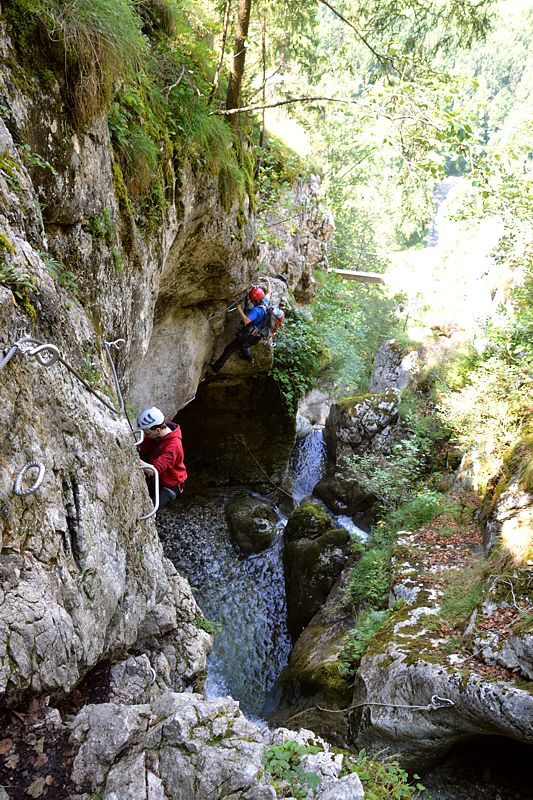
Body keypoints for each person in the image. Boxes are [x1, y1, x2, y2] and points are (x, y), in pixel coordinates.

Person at [209, 278, 272, 374]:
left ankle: (214, 369)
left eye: (252, 301)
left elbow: (246, 321)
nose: (251, 302)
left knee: (229, 349)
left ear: (255, 300)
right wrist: (268, 281)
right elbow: (269, 292)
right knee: (244, 346)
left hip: (248, 336)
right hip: (256, 336)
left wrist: (239, 309)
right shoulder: (266, 303)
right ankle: (250, 358)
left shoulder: (257, 310)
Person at [137, 406, 187, 510]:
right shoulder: (157, 436)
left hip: (171, 485)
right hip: (159, 479)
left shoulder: (173, 446)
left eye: (147, 433)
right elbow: (143, 446)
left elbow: (153, 470)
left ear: (157, 430)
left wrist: (133, 460)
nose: (145, 435)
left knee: (150, 508)